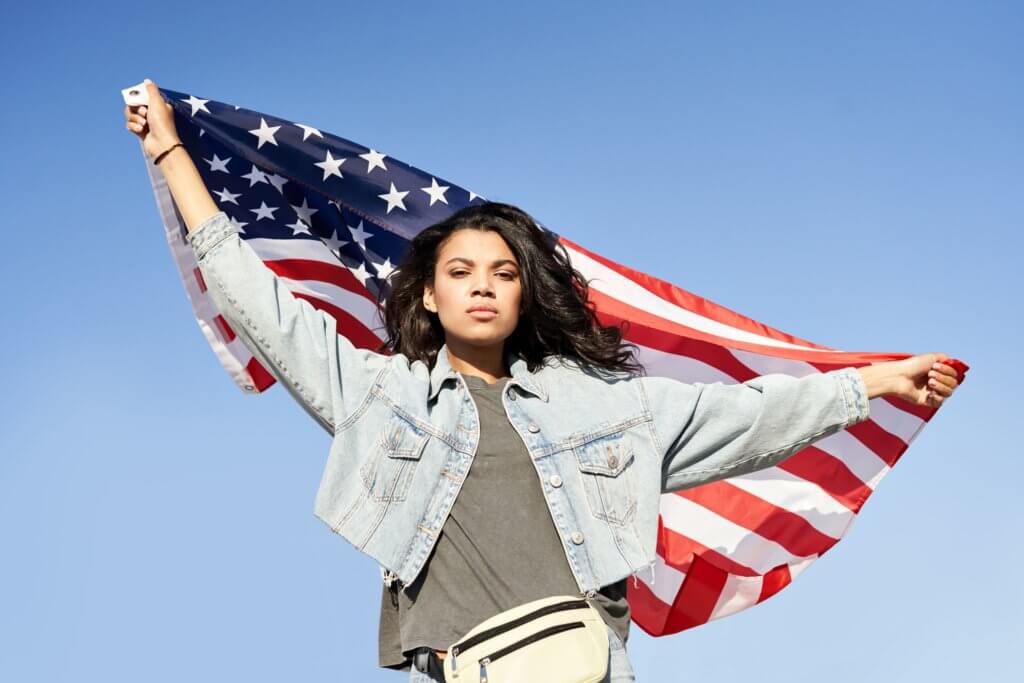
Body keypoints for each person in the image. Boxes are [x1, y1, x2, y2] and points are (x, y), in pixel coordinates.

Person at [124, 80, 962, 682]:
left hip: (584, 664)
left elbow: (746, 414)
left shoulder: (604, 405)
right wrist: (167, 151)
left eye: (501, 271)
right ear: (429, 292)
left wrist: (874, 383)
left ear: (525, 294)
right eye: (461, 270)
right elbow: (264, 304)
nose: (483, 284)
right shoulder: (377, 395)